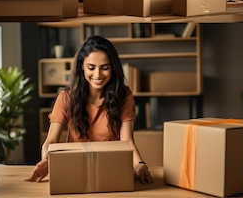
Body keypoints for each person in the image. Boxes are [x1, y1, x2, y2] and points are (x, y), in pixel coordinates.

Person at [26, 36, 153, 184]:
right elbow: (51, 140)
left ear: (113, 67)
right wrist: (45, 160)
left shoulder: (124, 96)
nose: (98, 75)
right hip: (75, 169)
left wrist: (139, 164)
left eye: (105, 68)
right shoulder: (66, 98)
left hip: (111, 168)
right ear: (82, 66)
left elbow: (127, 141)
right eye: (91, 68)